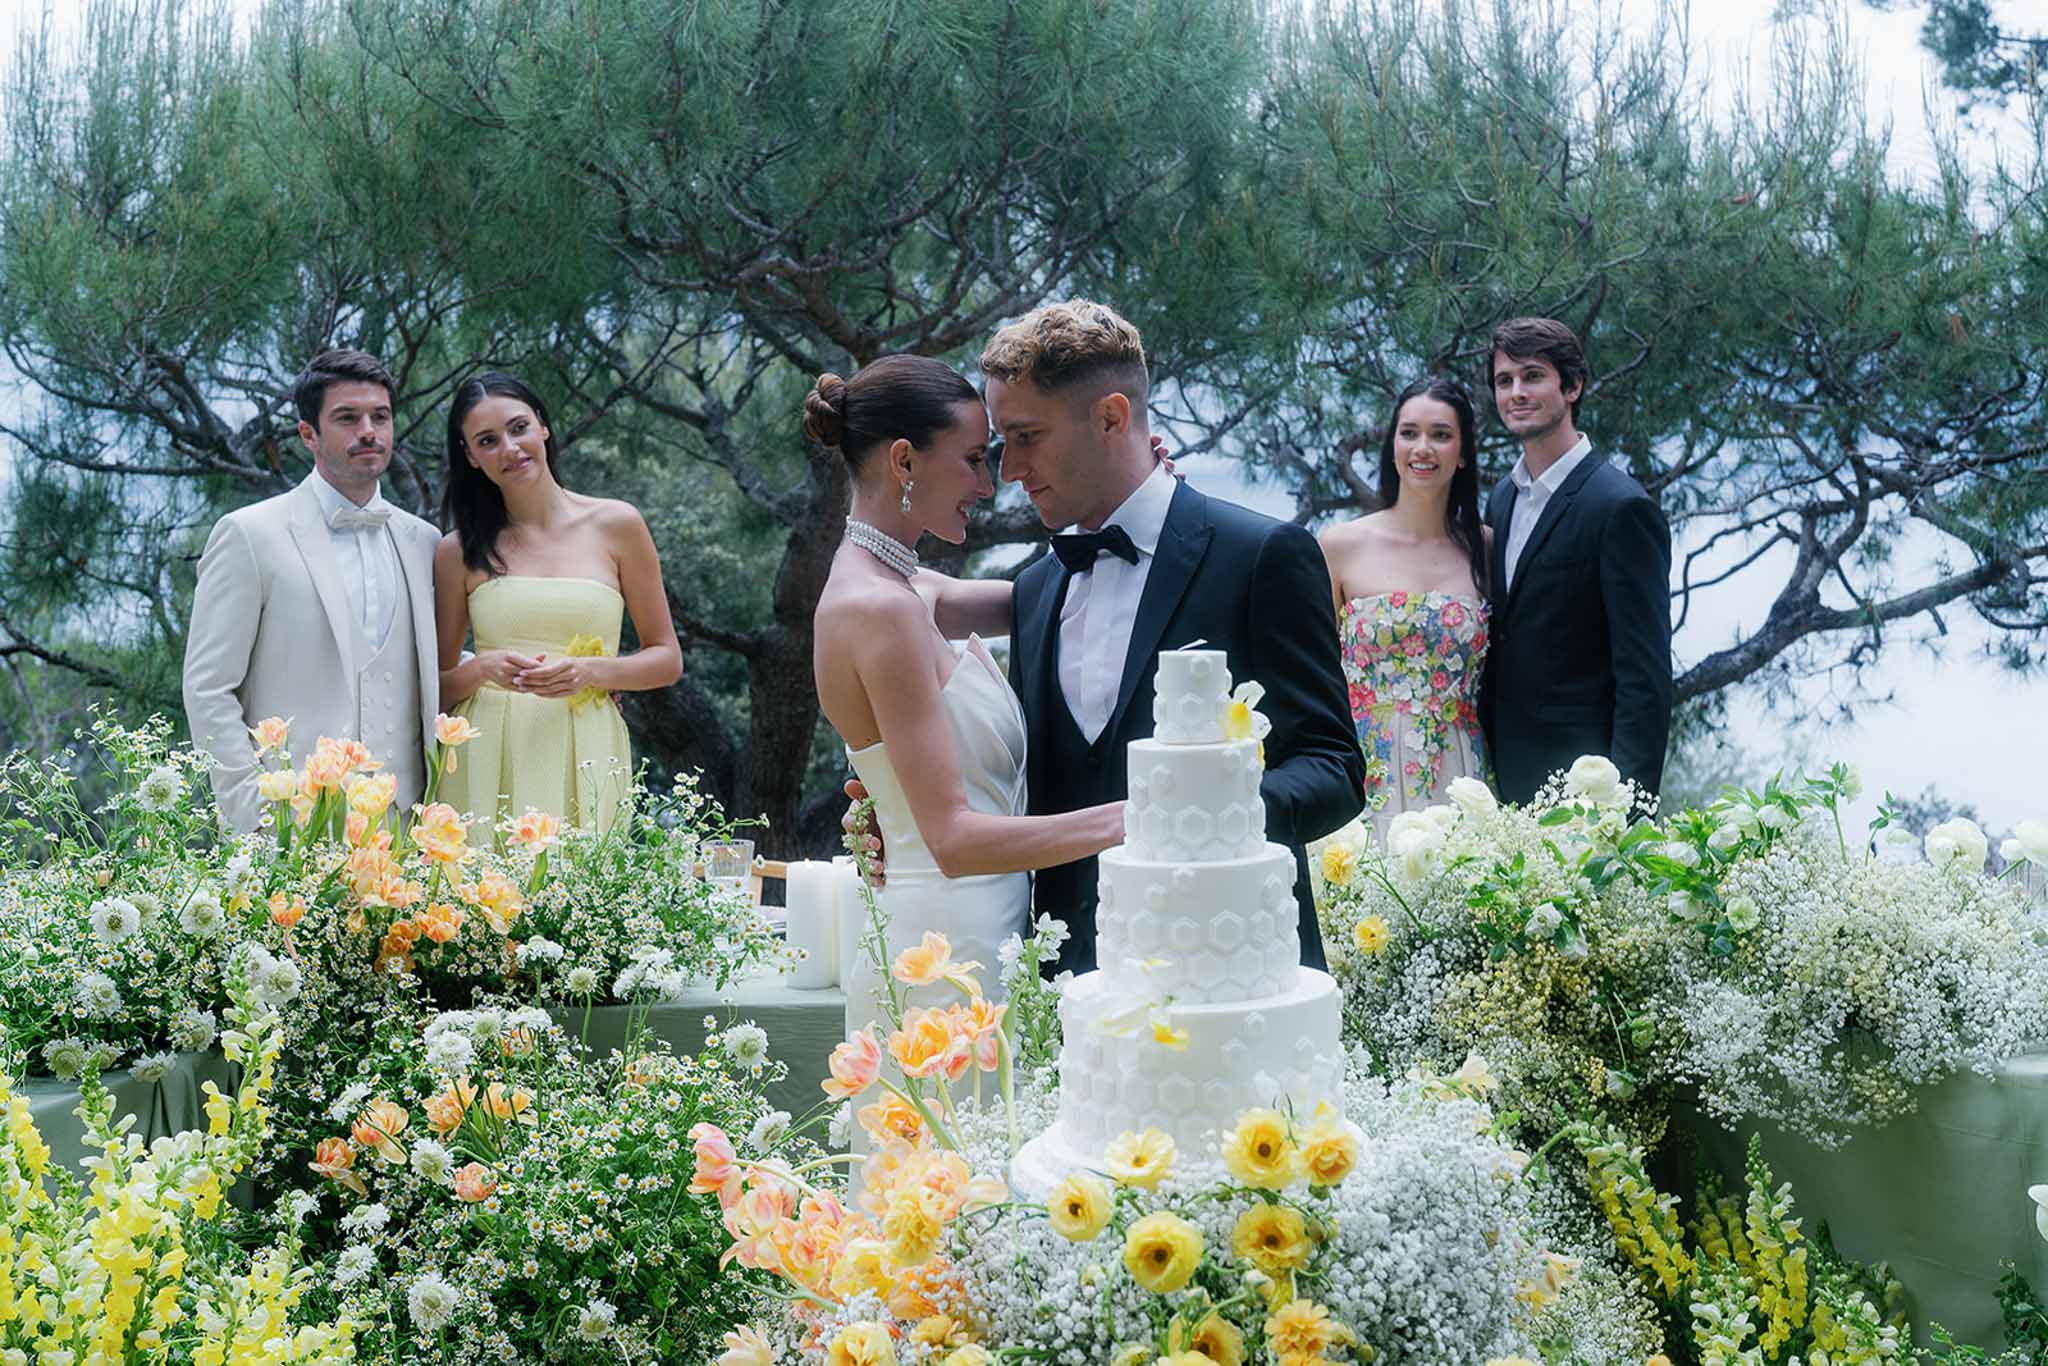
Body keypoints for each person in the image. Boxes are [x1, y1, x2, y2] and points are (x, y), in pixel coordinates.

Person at [886, 300, 1364, 975]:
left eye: (1026, 436)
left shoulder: (1263, 556)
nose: (1009, 471)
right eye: (1001, 443)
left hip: (1229, 973)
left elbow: (1334, 768)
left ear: (1111, 417)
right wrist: (896, 815)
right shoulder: (1035, 591)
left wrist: (1203, 818)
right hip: (1069, 995)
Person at [809, 354, 1126, 1005]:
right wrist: (1142, 815)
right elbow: (952, 840)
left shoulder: (911, 591)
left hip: (982, 934)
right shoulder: (881, 609)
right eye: (974, 458)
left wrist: (1134, 500)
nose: (987, 486)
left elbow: (1055, 597)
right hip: (943, 952)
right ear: (904, 461)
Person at [185, 349, 441, 834]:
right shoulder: (249, 534)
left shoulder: (424, 543)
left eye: (380, 416)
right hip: (292, 832)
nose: (368, 430)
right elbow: (207, 688)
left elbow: (433, 666)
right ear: (308, 435)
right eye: (347, 418)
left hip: (409, 838)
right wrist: (255, 817)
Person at [433, 372, 682, 836]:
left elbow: (666, 659)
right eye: (488, 440)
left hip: (586, 740)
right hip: (485, 751)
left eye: (518, 427)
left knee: (584, 892)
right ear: (470, 456)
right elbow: (436, 687)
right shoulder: (456, 550)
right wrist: (483, 668)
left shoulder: (618, 524)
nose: (509, 448)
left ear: (543, 426)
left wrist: (591, 672)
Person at [1479, 317, 1673, 805]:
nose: (1517, 392)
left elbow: (1644, 681)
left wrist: (1624, 814)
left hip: (1585, 794)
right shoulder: (1501, 499)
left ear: (1573, 386)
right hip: (1504, 782)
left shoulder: (1621, 507)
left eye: (1533, 376)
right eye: (1505, 381)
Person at [1317, 376, 1492, 840]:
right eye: (1409, 432)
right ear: (1393, 444)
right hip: (1362, 766)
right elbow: (1308, 674)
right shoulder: (1340, 546)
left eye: (1441, 435)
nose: (1423, 448)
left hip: (1461, 769)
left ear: (1464, 452)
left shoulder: (1486, 548)